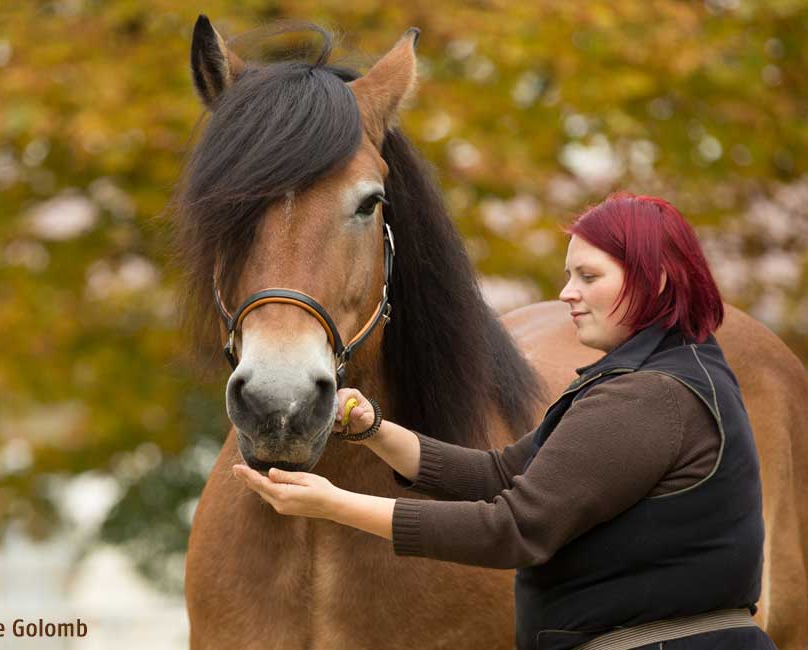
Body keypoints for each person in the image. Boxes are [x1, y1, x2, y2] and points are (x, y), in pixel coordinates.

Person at [234, 192, 775, 650]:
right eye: (570, 275)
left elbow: (514, 529)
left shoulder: (650, 396)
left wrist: (334, 505)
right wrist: (377, 431)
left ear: (656, 280)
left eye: (589, 276)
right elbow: (503, 473)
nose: (568, 293)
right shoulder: (659, 372)